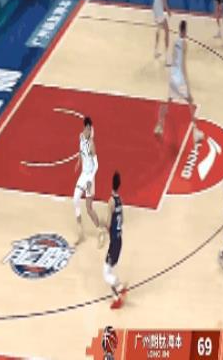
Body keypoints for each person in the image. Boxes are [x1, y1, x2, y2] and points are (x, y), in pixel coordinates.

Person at [154, 20, 204, 145]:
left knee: (168, 101)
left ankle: (159, 125)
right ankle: (196, 133)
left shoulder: (175, 41)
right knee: (190, 102)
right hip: (180, 78)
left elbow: (173, 60)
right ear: (185, 31)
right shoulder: (184, 43)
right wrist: (186, 82)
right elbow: (182, 64)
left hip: (173, 76)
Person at [73, 117, 106, 247]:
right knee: (75, 199)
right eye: (86, 128)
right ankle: (80, 232)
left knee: (88, 208)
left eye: (89, 129)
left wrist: (90, 180)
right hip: (83, 174)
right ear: (84, 128)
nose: (87, 131)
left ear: (90, 129)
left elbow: (97, 165)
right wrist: (78, 161)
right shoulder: (81, 137)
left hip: (90, 177)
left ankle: (100, 231)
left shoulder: (92, 144)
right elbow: (80, 151)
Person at [103, 171, 127, 309]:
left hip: (114, 243)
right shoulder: (120, 201)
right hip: (119, 240)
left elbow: (107, 223)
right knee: (109, 270)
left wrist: (103, 227)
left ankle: (120, 288)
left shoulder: (111, 201)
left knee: (106, 273)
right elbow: (122, 220)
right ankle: (117, 296)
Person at [153, 0, 176, 65]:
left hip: (156, 2)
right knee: (166, 30)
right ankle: (168, 58)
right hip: (159, 5)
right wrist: (168, 11)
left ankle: (156, 51)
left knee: (158, 28)